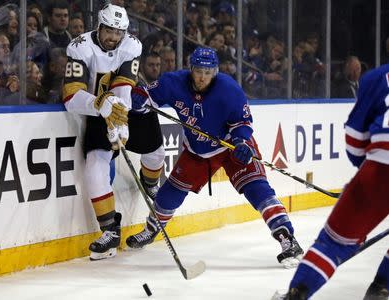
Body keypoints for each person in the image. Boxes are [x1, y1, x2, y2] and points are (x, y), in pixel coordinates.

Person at [126, 47, 304, 268]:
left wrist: (240, 142)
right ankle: (151, 229)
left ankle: (287, 238)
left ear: (216, 72)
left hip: (231, 146)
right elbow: (148, 94)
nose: (202, 76)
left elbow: (242, 123)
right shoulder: (174, 82)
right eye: (199, 70)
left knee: (258, 189)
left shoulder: (229, 89)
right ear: (191, 69)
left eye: (208, 72)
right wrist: (138, 98)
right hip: (198, 150)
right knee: (171, 191)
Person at [62, 3, 165, 261]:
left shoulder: (132, 45)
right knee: (94, 165)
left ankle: (150, 181)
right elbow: (70, 96)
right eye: (109, 31)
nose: (113, 38)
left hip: (122, 106)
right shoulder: (80, 47)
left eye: (118, 33)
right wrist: (99, 104)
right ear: (99, 26)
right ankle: (109, 231)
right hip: (95, 110)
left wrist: (120, 119)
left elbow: (123, 85)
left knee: (156, 147)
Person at [280, 64, 389, 299]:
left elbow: (354, 139)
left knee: (333, 243)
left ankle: (296, 294)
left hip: (380, 169)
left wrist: (369, 178)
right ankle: (382, 286)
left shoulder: (378, 77)